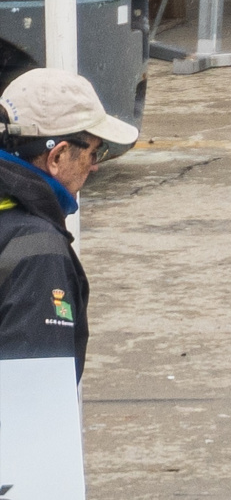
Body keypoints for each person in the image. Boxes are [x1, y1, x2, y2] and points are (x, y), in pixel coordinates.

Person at [0, 68, 139, 383]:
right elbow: (38, 398)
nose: (94, 165)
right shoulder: (37, 253)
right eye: (94, 151)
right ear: (58, 156)